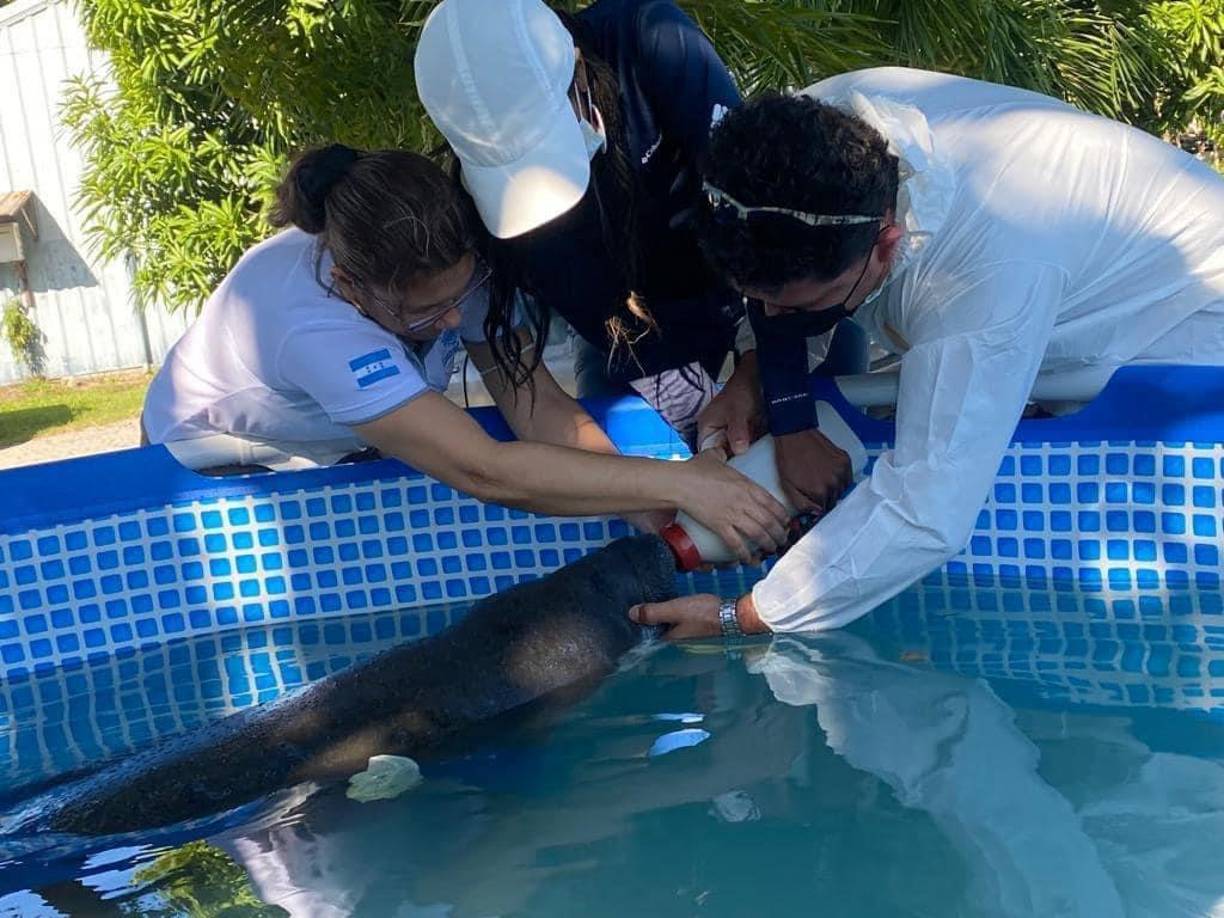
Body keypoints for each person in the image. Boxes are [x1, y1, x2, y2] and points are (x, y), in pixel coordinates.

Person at [628, 66, 1224, 637]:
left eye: (811, 302)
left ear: (887, 241)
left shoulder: (983, 279)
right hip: (1059, 266)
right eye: (762, 300)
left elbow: (928, 507)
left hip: (1185, 314)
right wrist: (762, 385)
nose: (779, 319)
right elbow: (777, 282)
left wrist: (748, 615)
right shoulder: (802, 143)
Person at [141, 145, 790, 562]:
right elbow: (484, 473)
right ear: (349, 285)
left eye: (462, 293)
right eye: (424, 314)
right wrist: (681, 480)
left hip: (324, 434)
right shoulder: (313, 325)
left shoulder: (444, 263)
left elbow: (542, 409)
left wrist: (660, 512)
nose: (454, 319)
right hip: (206, 455)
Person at [414, 0, 860, 511]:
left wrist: (783, 401)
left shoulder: (653, 40)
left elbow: (767, 230)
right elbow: (537, 398)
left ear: (579, 70)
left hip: (759, 297)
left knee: (822, 457)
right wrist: (658, 493)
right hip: (623, 339)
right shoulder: (470, 202)